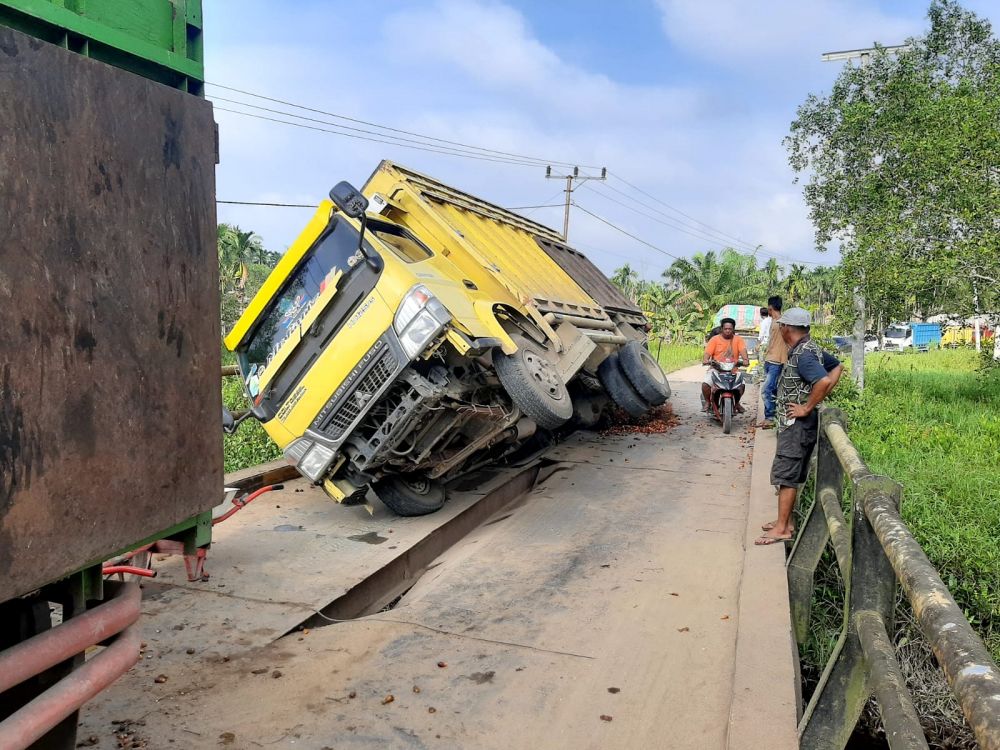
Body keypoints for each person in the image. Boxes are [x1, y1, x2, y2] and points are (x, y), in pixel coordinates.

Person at [757, 307, 843, 546]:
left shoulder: (804, 355)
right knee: (791, 474)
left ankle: (783, 528)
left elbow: (823, 379)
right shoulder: (810, 348)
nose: (780, 329)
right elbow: (837, 368)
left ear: (787, 328)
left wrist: (807, 406)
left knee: (786, 474)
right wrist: (818, 398)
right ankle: (785, 521)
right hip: (798, 425)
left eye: (781, 326)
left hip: (796, 425)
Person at [702, 317, 749, 413]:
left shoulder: (738, 340)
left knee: (742, 385)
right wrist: (706, 360)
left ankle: (737, 402)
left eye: (730, 329)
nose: (727, 331)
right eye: (725, 329)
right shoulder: (714, 340)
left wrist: (745, 361)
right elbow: (707, 354)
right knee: (706, 384)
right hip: (716, 369)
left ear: (733, 329)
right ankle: (707, 402)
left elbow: (744, 353)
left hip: (733, 370)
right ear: (721, 329)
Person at [758, 295, 787, 429]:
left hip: (776, 361)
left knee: (766, 390)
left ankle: (770, 417)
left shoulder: (782, 323)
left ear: (770, 308)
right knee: (772, 390)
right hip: (770, 359)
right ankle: (770, 418)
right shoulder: (774, 322)